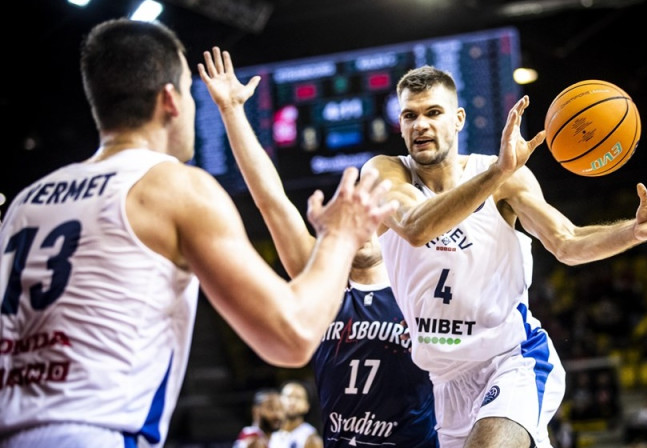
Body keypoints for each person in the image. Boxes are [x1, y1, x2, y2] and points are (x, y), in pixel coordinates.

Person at [0, 18, 396, 447]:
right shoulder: (174, 185)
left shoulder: (26, 201)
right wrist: (340, 235)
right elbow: (293, 335)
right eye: (190, 91)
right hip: (95, 433)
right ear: (170, 100)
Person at [361, 65, 647, 448]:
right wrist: (497, 173)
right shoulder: (384, 173)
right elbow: (414, 226)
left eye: (433, 112)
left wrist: (632, 231)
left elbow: (566, 242)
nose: (420, 124)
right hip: (445, 381)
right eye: (410, 115)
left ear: (458, 120)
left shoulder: (507, 178)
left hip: (512, 360)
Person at [199, 46, 439, 447]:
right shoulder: (321, 281)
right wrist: (232, 111)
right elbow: (270, 199)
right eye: (352, 219)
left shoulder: (422, 281)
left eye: (371, 216)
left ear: (390, 225)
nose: (363, 229)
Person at [272, 380, 322, 448]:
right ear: (279, 400)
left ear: (306, 406)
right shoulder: (270, 434)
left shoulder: (311, 439)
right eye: (288, 396)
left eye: (298, 397)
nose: (292, 402)